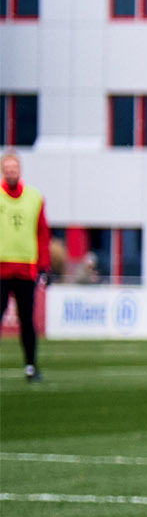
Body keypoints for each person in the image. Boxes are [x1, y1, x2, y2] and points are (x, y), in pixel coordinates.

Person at [0, 150, 53, 383]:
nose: (11, 171)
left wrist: (44, 265)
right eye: (7, 168)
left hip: (26, 270)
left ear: (19, 170)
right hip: (1, 269)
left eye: (14, 167)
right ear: (3, 170)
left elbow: (43, 233)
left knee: (27, 321)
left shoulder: (34, 197)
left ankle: (31, 366)